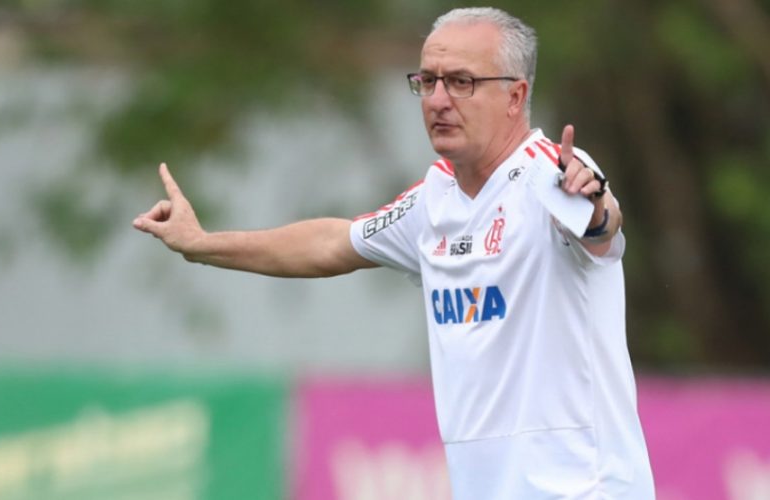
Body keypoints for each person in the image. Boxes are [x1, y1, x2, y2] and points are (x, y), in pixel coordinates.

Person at [133, 7, 654, 500]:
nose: (438, 99)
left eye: (461, 81)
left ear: (516, 96)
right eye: (427, 81)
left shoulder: (553, 173)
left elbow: (599, 224)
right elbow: (330, 242)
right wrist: (202, 245)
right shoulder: (433, 201)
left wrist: (598, 206)